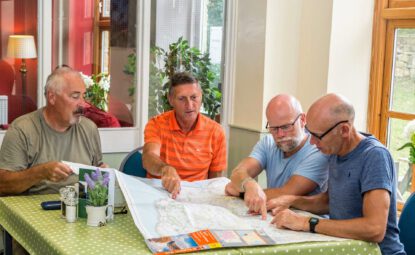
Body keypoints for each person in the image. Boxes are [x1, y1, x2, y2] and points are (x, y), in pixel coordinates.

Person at [268, 93, 405, 255]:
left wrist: (308, 223)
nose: (312, 142)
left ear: (344, 130)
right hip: (345, 249)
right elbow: (329, 201)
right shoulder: (335, 150)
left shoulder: (374, 156)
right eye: (309, 133)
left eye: (317, 136)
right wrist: (292, 201)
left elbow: (375, 229)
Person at [0, 66, 106, 196]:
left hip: (79, 207)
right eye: (75, 96)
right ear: (52, 97)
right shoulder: (22, 129)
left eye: (83, 96)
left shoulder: (89, 128)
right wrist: (40, 172)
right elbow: (3, 185)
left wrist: (102, 175)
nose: (83, 104)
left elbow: (97, 174)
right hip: (35, 211)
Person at [225, 94, 329, 219]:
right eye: (274, 128)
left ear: (302, 120)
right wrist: (248, 184)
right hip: (275, 217)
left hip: (309, 224)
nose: (280, 134)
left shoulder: (318, 150)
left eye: (286, 127)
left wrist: (243, 191)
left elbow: (285, 193)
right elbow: (238, 173)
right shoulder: (268, 142)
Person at [143, 72, 227, 199]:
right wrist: (165, 168)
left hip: (196, 197)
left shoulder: (216, 131)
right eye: (182, 99)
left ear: (201, 97)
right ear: (171, 100)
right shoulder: (156, 124)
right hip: (160, 194)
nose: (189, 105)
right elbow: (148, 157)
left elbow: (215, 181)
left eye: (194, 97)